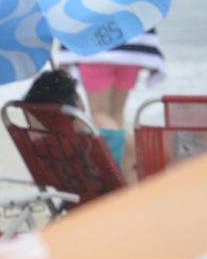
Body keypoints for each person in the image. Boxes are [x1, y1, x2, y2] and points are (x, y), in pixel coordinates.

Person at [55, 29, 168, 181]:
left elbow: (76, 20)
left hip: (96, 54)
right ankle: (124, 166)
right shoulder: (125, 3)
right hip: (130, 53)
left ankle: (123, 160)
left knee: (99, 114)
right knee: (116, 114)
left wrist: (63, 62)